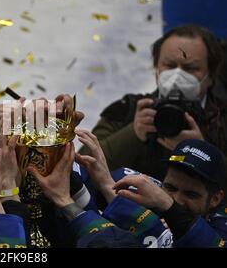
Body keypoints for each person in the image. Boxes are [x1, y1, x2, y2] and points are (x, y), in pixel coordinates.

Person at [79, 25, 227, 190]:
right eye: (169, 65)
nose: (177, 75)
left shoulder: (221, 118)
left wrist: (201, 151)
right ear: (157, 68)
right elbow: (81, 166)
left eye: (190, 68)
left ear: (211, 76)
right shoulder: (129, 110)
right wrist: (133, 134)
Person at [114, 139, 226, 247]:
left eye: (190, 194)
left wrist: (171, 210)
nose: (176, 200)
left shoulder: (222, 224)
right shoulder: (136, 183)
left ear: (215, 199)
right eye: (170, 188)